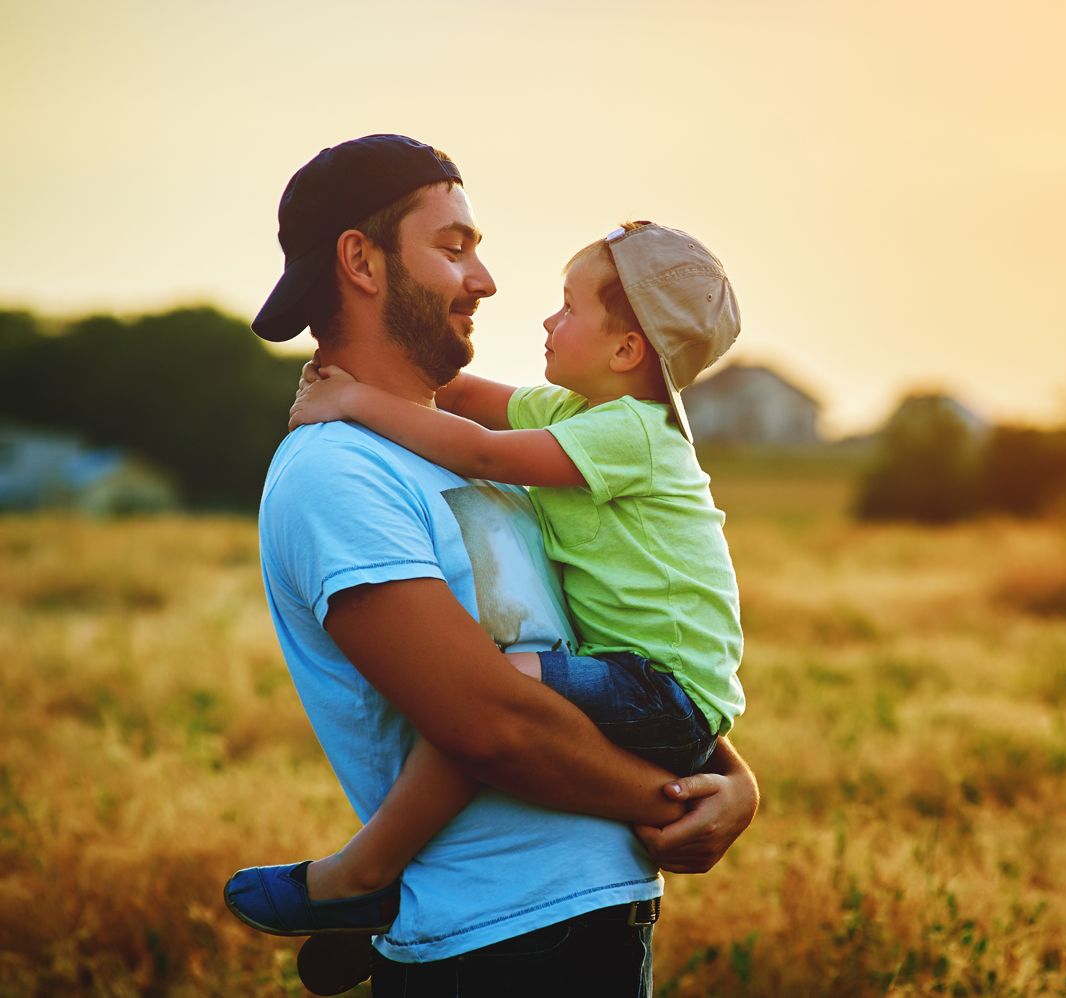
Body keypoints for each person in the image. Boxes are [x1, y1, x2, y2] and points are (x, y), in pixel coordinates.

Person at [225, 134, 758, 996]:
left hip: (591, 914)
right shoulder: (340, 471)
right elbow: (492, 726)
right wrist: (674, 803)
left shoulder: (508, 452)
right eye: (454, 247)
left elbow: (603, 649)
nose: (488, 282)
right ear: (360, 261)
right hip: (499, 944)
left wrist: (732, 781)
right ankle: (358, 884)